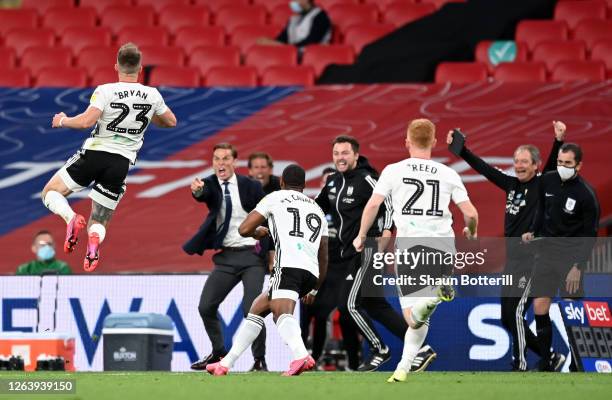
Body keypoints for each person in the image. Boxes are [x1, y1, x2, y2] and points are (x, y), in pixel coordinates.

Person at [354, 118, 479, 382]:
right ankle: (403, 368)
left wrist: (362, 234)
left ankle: (433, 298)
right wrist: (472, 231)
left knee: (412, 317)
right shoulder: (448, 173)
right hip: (444, 246)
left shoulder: (393, 170)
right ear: (433, 142)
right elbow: (470, 213)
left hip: (411, 247)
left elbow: (372, 205)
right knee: (418, 320)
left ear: (407, 141)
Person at [41, 43, 177, 272]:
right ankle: (92, 243)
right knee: (99, 219)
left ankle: (71, 218)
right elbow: (171, 121)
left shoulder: (105, 90)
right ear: (140, 68)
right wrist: (147, 116)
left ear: (116, 66)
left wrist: (62, 120)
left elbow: (86, 121)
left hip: (95, 153)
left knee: (51, 192)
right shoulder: (152, 95)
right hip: (120, 163)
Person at [446, 121, 566, 371]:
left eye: (525, 161)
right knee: (506, 317)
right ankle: (551, 357)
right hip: (513, 262)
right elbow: (486, 170)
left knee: (515, 314)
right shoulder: (511, 184)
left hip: (533, 261)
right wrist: (463, 151)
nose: (519, 165)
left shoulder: (541, 184)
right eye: (516, 161)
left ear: (535, 165)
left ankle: (520, 364)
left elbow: (553, 165)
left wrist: (558, 141)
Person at [206, 164, 328, 376]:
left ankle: (301, 356)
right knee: (257, 308)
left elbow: (244, 229)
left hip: (288, 266)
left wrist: (258, 232)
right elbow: (324, 255)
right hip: (311, 272)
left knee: (280, 313)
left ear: (281, 182)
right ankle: (226, 363)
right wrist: (315, 288)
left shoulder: (275, 197)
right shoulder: (316, 208)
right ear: (304, 185)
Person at [316, 135, 415, 372]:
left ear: (355, 155)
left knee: (348, 305)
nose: (340, 158)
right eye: (336, 153)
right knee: (375, 304)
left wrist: (386, 233)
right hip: (349, 252)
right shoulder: (332, 182)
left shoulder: (367, 179)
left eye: (345, 153)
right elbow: (316, 207)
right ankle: (419, 349)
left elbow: (389, 204)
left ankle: (379, 349)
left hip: (368, 247)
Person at [183, 143, 269, 372]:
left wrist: (270, 253)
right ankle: (219, 350)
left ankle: (259, 360)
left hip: (252, 256)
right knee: (206, 306)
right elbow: (204, 195)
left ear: (234, 162)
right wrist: (197, 191)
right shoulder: (210, 184)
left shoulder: (250, 186)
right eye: (216, 159)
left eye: (225, 159)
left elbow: (268, 218)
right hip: (227, 257)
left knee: (252, 308)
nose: (220, 163)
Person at [522, 143, 600, 371]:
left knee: (571, 310)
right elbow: (541, 210)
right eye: (560, 162)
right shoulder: (547, 180)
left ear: (579, 165)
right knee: (540, 305)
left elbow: (591, 235)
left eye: (568, 163)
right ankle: (547, 362)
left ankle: (578, 363)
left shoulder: (586, 194)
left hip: (571, 260)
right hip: (546, 255)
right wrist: (533, 232)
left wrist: (578, 266)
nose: (563, 166)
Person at [257, 0, 332, 52]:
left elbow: (311, 42)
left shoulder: (321, 16)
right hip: (289, 53)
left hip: (310, 56)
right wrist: (269, 42)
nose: (293, 2)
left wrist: (281, 46)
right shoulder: (294, 18)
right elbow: (283, 38)